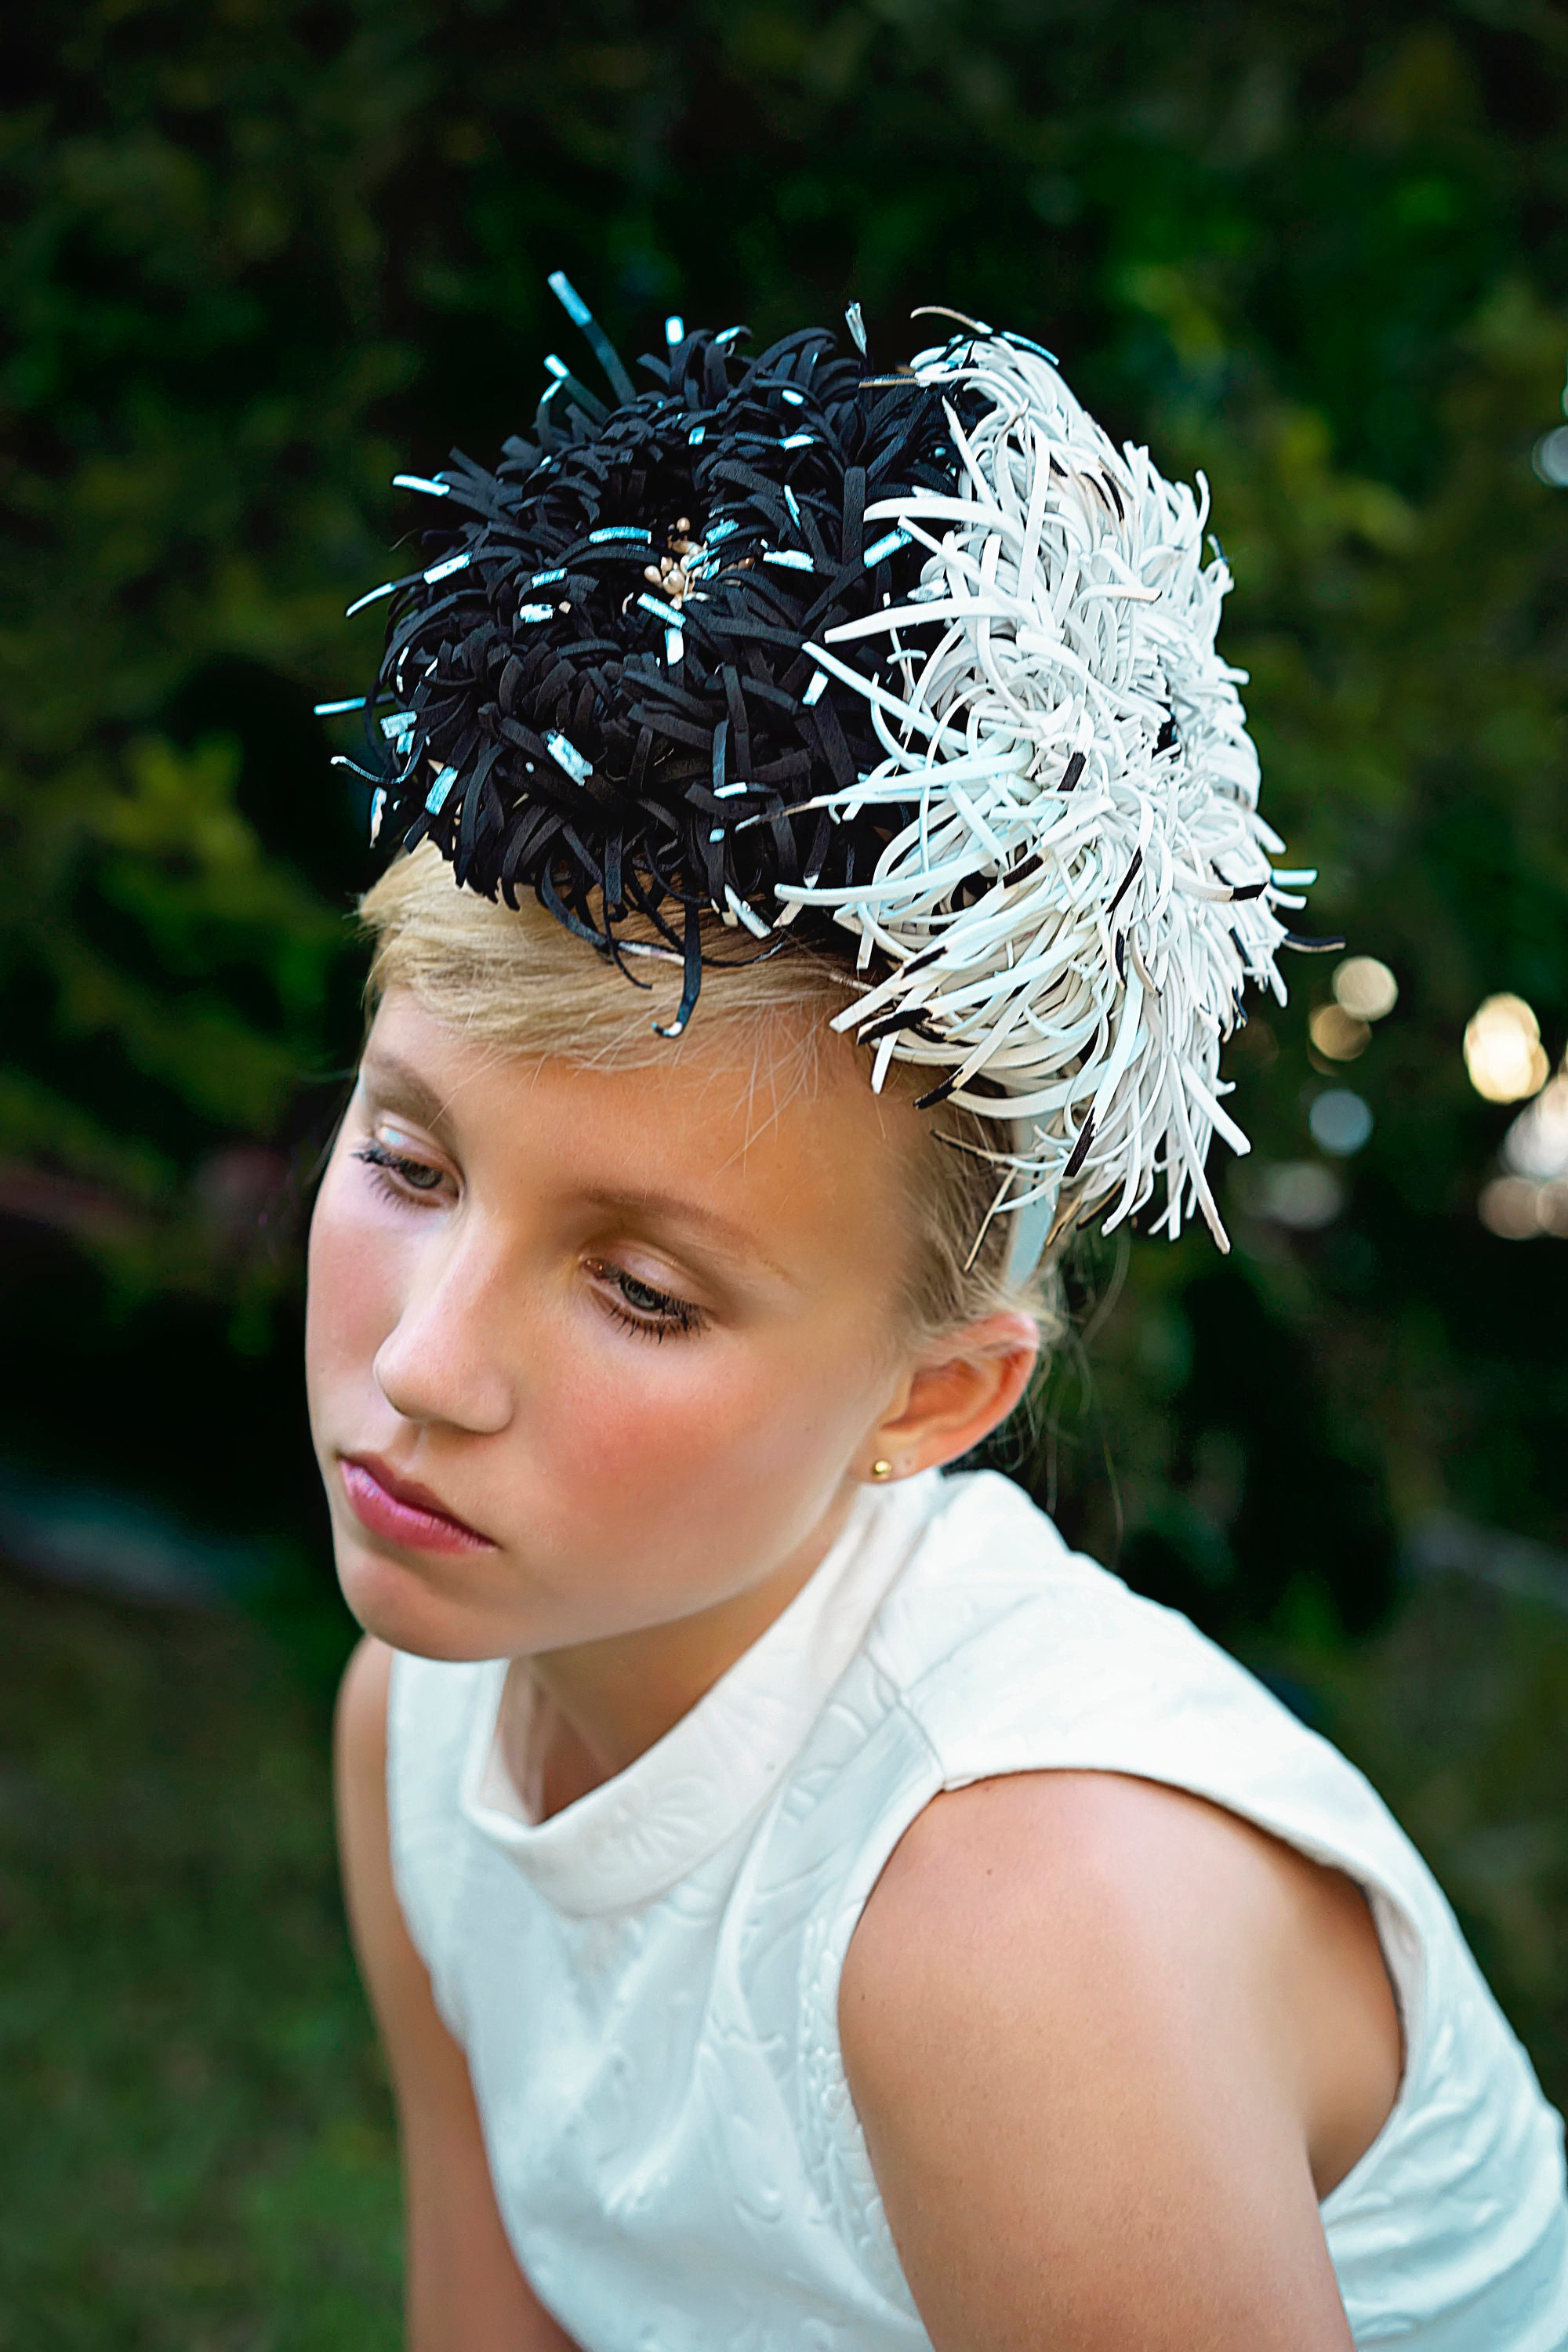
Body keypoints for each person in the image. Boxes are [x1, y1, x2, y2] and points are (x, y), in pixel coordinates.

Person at [314, 287, 1568, 2349]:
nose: (424, 1365)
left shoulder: (1014, 1925)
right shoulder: (430, 1714)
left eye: (640, 1288)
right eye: (410, 1163)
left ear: (937, 1396)